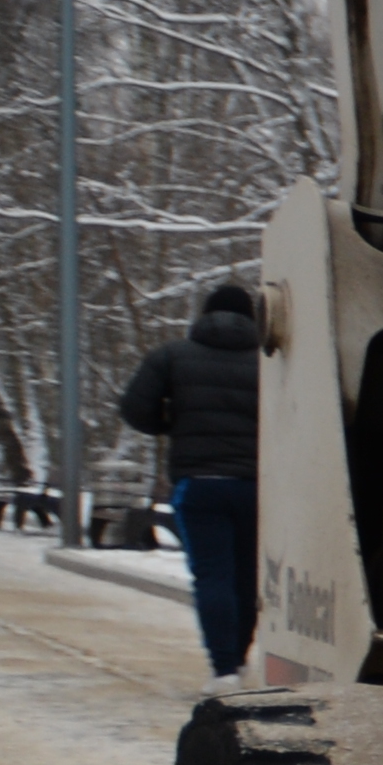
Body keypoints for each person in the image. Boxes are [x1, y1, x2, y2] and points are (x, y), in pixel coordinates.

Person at [119, 281, 265, 681]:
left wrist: (171, 424)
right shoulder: (269, 361)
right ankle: (238, 657)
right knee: (247, 577)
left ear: (204, 316)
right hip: (256, 488)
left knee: (213, 575)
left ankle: (223, 670)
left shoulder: (172, 356)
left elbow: (134, 409)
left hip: (198, 484)